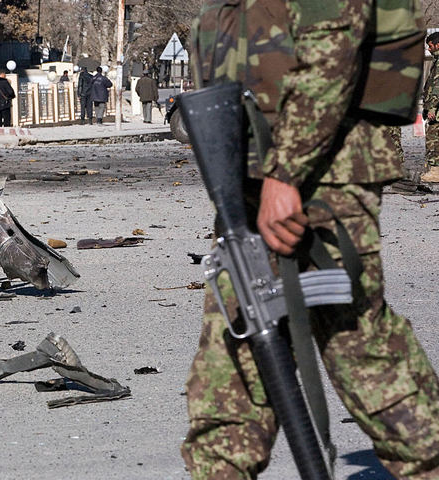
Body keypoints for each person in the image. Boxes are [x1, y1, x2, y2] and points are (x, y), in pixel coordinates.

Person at [182, 1, 439, 479]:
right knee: (237, 349)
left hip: (325, 172)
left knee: (358, 346)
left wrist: (286, 174)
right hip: (251, 172)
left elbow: (332, 51)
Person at [422, 32, 439, 182]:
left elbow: (437, 87)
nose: (428, 49)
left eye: (430, 45)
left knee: (433, 140)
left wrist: (432, 108)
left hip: (437, 111)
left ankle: (435, 172)